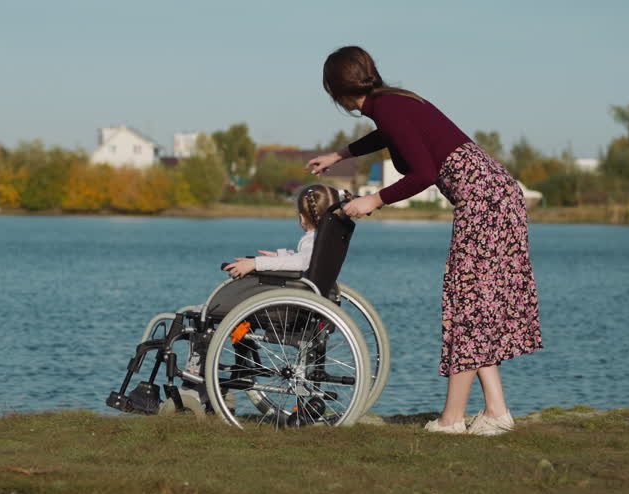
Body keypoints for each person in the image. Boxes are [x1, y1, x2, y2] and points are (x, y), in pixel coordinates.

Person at [306, 46, 542, 436]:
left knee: (466, 304)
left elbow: (424, 174)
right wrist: (341, 154)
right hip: (497, 196)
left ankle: (451, 420)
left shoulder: (387, 107)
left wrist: (374, 199)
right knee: (476, 304)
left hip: (484, 203)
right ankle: (497, 412)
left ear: (336, 92)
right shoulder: (394, 101)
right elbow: (387, 137)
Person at [224, 184, 339, 279]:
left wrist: (256, 263)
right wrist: (279, 256)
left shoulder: (312, 240)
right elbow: (308, 258)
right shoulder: (325, 238)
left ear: (302, 218)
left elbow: (300, 262)